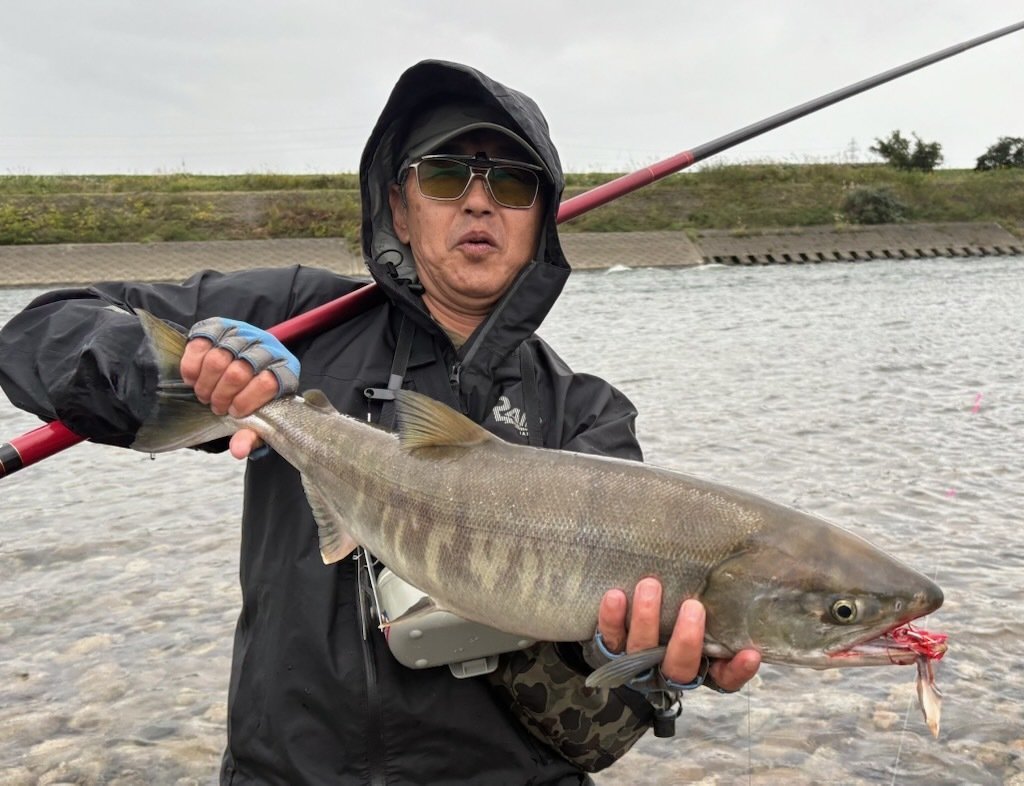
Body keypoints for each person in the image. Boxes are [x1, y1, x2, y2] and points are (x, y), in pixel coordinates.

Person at [0, 60, 759, 784]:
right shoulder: (298, 319)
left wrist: (636, 661)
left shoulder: (588, 415)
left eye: (513, 183)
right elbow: (38, 332)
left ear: (540, 221)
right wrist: (177, 370)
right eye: (445, 175)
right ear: (399, 206)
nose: (478, 203)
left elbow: (601, 712)